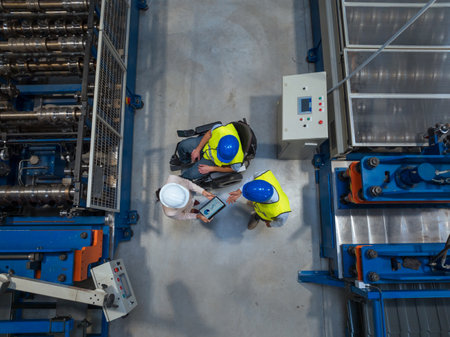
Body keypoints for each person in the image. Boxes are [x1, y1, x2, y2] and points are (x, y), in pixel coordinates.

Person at [175, 122, 244, 180]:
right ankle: (185, 161)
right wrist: (197, 149)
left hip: (212, 161)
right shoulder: (221, 131)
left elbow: (233, 169)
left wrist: (212, 168)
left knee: (192, 174)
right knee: (183, 145)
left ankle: (182, 179)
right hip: (208, 144)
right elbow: (209, 134)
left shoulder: (237, 160)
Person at [226, 170, 291, 230]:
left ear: (260, 201)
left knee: (261, 216)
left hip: (265, 214)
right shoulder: (263, 175)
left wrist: (270, 224)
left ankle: (256, 217)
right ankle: (254, 207)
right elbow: (253, 177)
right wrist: (240, 190)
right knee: (253, 205)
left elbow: (280, 222)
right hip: (259, 204)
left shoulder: (282, 212)